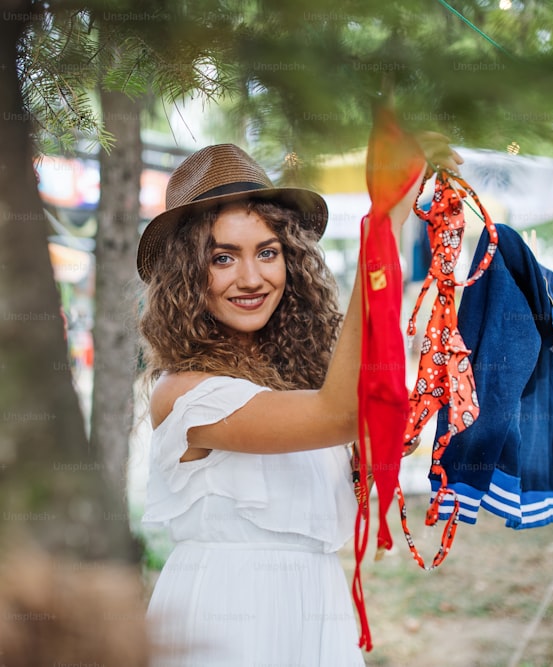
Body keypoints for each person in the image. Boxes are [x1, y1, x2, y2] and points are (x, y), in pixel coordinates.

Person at [137, 136, 460, 666]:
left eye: (267, 252)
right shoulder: (186, 395)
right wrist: (383, 225)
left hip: (315, 604)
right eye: (223, 258)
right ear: (187, 277)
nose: (251, 278)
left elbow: (354, 418)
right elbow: (341, 412)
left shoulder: (294, 381)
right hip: (228, 618)